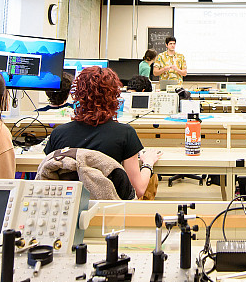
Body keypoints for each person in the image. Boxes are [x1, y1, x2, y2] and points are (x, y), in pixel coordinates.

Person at [43, 66, 161, 198]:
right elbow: (138, 190)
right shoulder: (125, 134)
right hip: (110, 210)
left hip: (69, 210)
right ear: (114, 95)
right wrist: (148, 164)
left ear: (77, 94)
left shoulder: (58, 134)